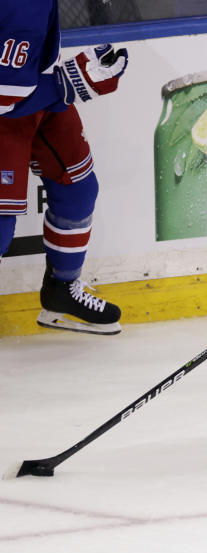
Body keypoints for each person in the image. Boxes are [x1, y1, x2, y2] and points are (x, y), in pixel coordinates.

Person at [0, 2, 129, 334]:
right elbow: (4, 97)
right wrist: (70, 82)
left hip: (33, 87)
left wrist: (67, 79)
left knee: (78, 187)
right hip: (10, 104)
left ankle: (61, 292)